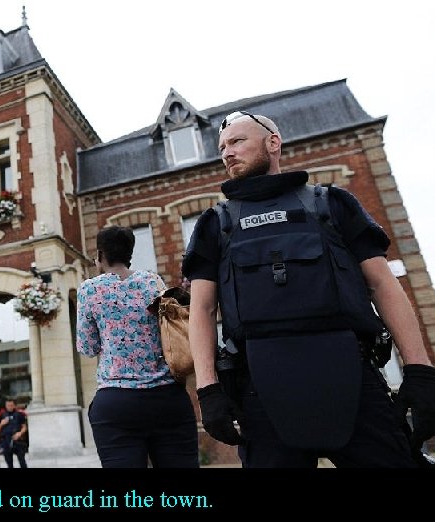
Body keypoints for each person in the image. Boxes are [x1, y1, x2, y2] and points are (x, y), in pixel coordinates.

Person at [183, 111, 435, 467]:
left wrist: (420, 371)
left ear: (273, 143)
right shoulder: (214, 224)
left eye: (237, 141)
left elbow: (383, 284)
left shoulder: (331, 205)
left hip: (353, 380)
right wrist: (208, 391)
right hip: (261, 388)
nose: (227, 152)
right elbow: (202, 309)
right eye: (222, 147)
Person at [76, 225, 199, 468]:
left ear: (100, 255)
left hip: (116, 402)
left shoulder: (89, 289)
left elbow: (88, 347)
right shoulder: (152, 281)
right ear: (129, 253)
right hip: (166, 398)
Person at [0, 398, 28, 468]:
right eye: (8, 405)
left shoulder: (19, 415)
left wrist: (20, 433)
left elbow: (24, 427)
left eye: (11, 405)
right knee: (9, 465)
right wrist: (1, 424)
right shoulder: (2, 415)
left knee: (22, 463)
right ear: (5, 405)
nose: (9, 407)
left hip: (17, 441)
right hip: (6, 441)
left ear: (14, 406)